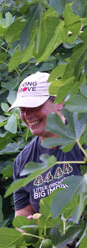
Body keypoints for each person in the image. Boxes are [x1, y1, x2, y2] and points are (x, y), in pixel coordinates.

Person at [8, 71, 85, 218]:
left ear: (59, 102)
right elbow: (22, 216)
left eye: (35, 107)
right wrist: (32, 226)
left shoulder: (83, 137)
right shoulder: (23, 161)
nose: (28, 116)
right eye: (23, 110)